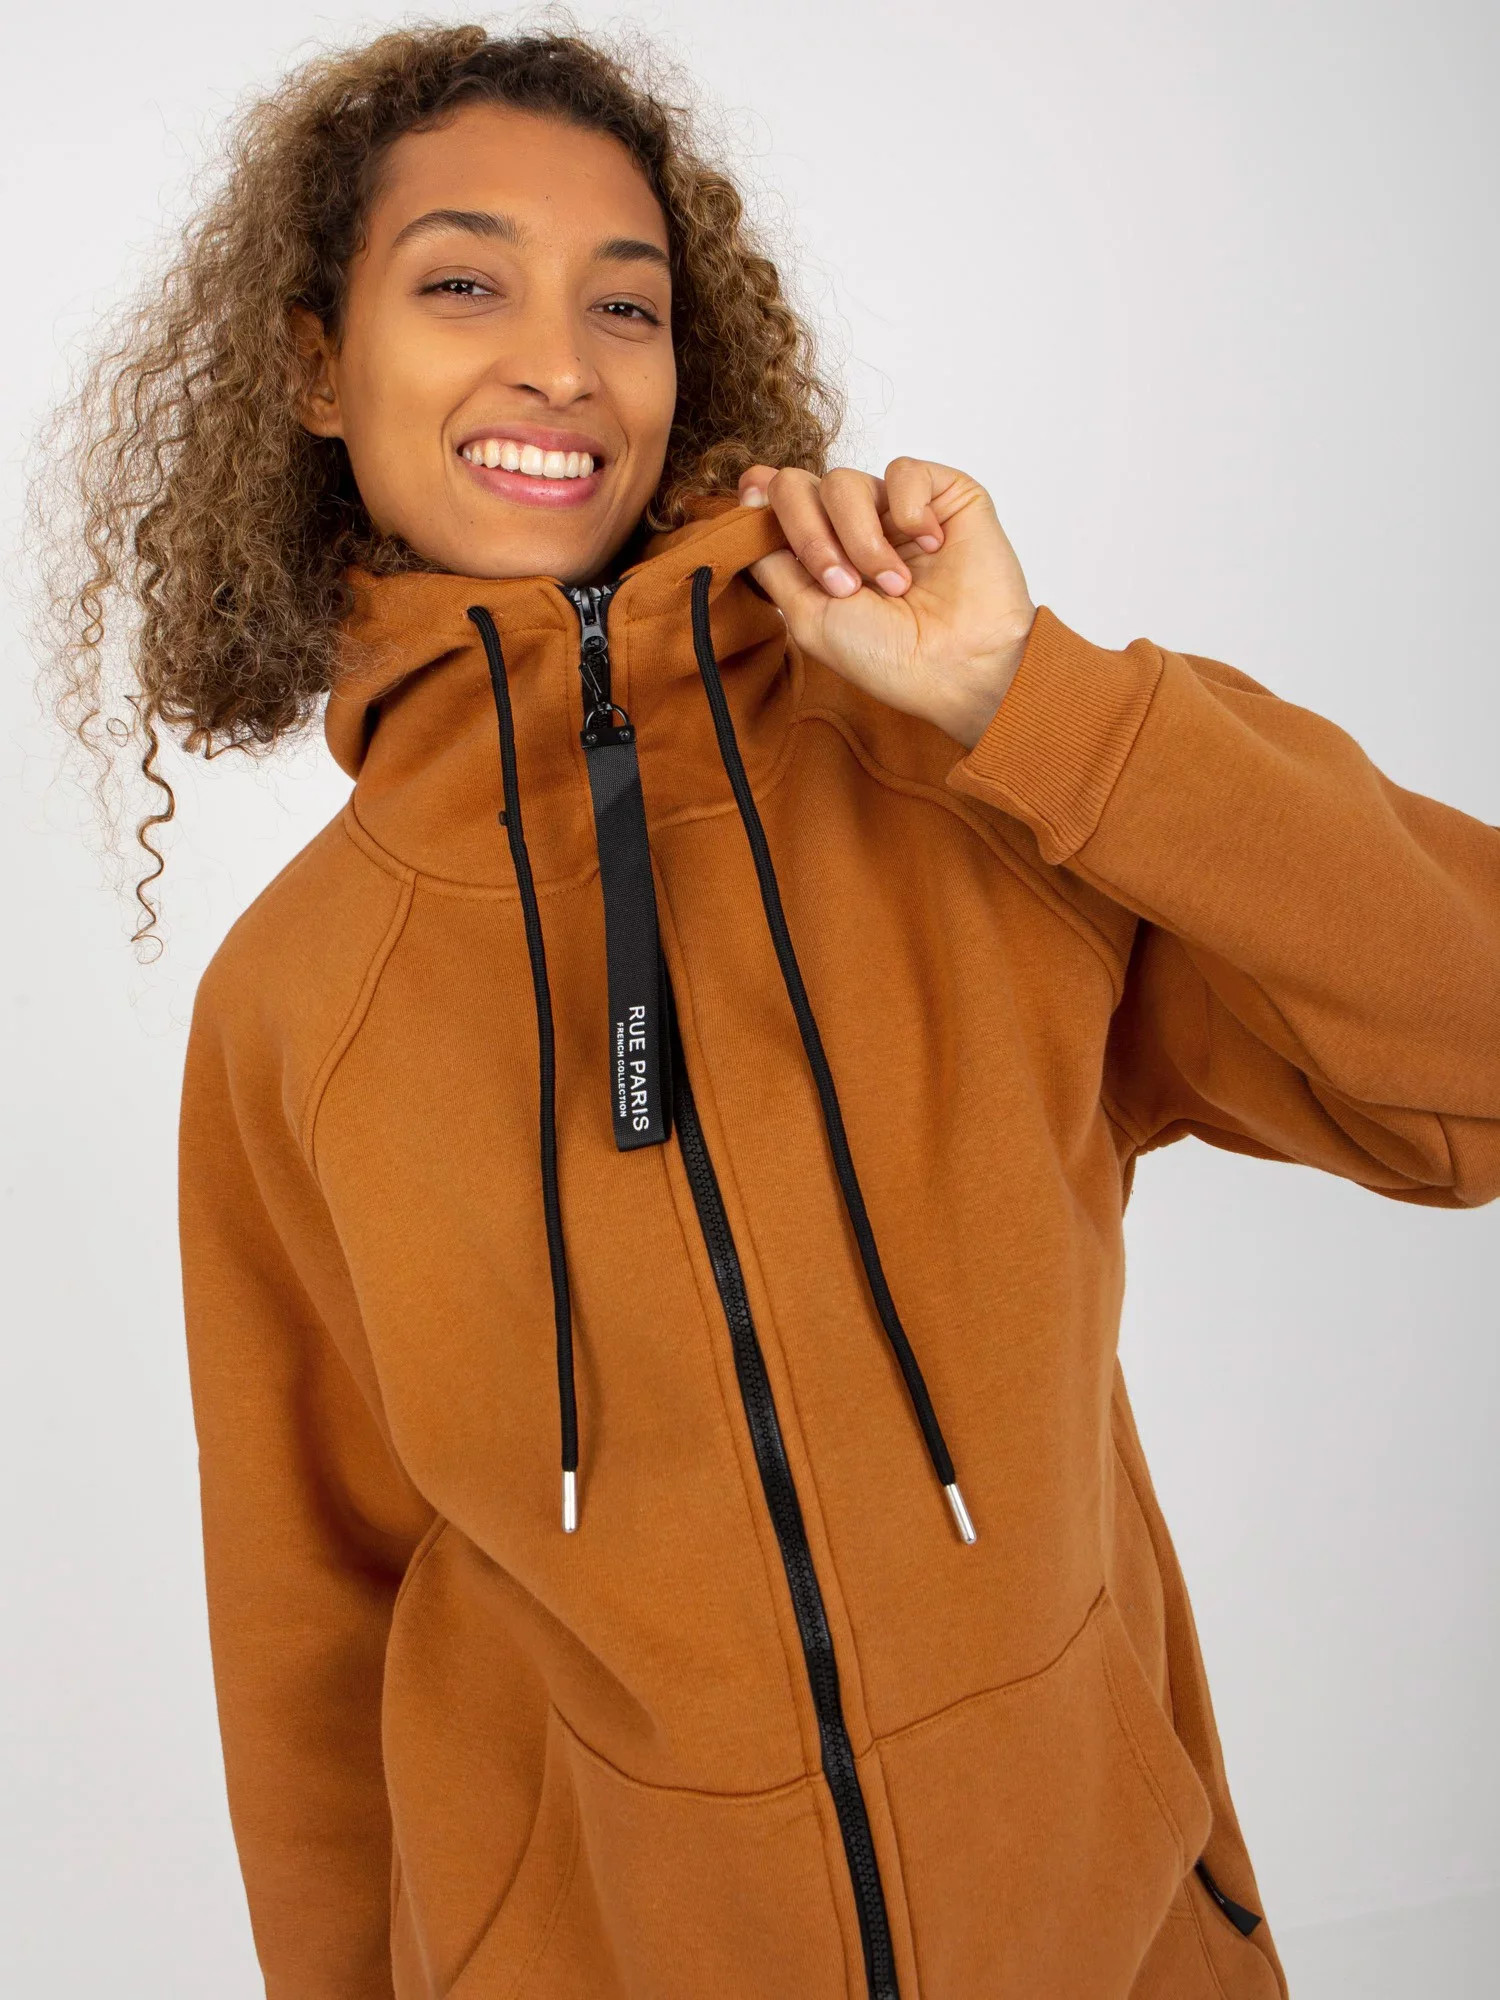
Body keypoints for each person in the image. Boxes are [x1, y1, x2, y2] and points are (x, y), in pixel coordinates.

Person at [40, 23, 1500, 2000]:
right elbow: (311, 1624)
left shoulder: (953, 786)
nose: (560, 362)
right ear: (315, 365)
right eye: (462, 283)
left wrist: (1035, 704)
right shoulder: (297, 1001)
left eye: (624, 304)